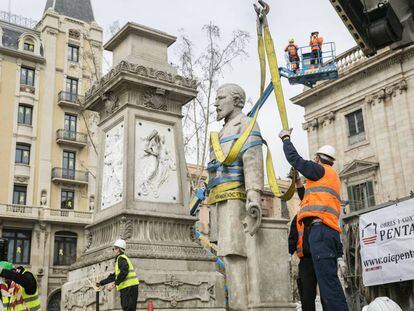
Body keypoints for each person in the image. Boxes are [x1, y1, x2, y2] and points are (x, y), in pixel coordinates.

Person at [279, 128, 348, 311]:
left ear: (318, 158)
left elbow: (296, 160)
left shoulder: (320, 170)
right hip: (327, 233)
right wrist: (299, 185)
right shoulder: (328, 177)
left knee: (328, 285)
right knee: (327, 285)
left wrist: (286, 139)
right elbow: (309, 200)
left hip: (321, 232)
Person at [208, 83, 264, 309]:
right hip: (218, 201)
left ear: (237, 101)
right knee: (224, 256)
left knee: (234, 254)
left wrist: (254, 194)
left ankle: (241, 306)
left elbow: (252, 160)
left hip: (234, 199)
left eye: (221, 98)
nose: (216, 103)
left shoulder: (247, 124)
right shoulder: (222, 131)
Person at [288, 173, 325, 311]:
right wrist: (286, 255)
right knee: (307, 297)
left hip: (322, 257)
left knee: (327, 294)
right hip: (306, 261)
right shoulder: (298, 218)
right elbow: (292, 239)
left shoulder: (319, 210)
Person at [97, 239, 139, 311]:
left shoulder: (121, 259)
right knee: (129, 308)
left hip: (128, 288)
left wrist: (114, 284)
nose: (113, 250)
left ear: (118, 249)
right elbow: (114, 276)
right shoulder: (120, 259)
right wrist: (101, 283)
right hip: (129, 287)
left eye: (114, 249)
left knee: (127, 308)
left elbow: (124, 272)